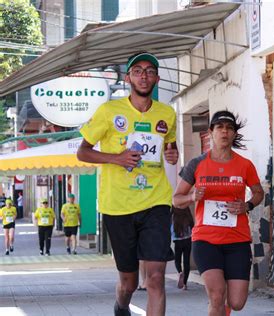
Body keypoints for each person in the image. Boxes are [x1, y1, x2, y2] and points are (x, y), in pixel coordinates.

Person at [77, 51, 179, 316]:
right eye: (137, 71)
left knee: (156, 277)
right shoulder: (109, 111)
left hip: (156, 201)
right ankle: (121, 306)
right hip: (118, 205)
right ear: (128, 77)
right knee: (129, 282)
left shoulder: (167, 114)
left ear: (156, 78)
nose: (143, 76)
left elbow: (170, 147)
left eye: (149, 71)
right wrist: (117, 158)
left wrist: (173, 153)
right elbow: (83, 152)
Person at [173, 110, 264, 316]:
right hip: (206, 240)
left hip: (237, 240)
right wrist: (191, 197)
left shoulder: (244, 165)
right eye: (220, 127)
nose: (225, 131)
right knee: (216, 295)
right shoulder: (196, 164)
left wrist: (247, 205)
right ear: (211, 132)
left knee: (236, 302)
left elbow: (259, 192)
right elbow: (176, 200)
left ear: (234, 134)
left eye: (229, 128)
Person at [171, 206, 194, 290]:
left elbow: (171, 229)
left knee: (177, 259)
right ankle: (184, 284)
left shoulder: (174, 217)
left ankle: (180, 272)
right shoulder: (188, 216)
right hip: (188, 240)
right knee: (186, 261)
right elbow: (192, 227)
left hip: (178, 241)